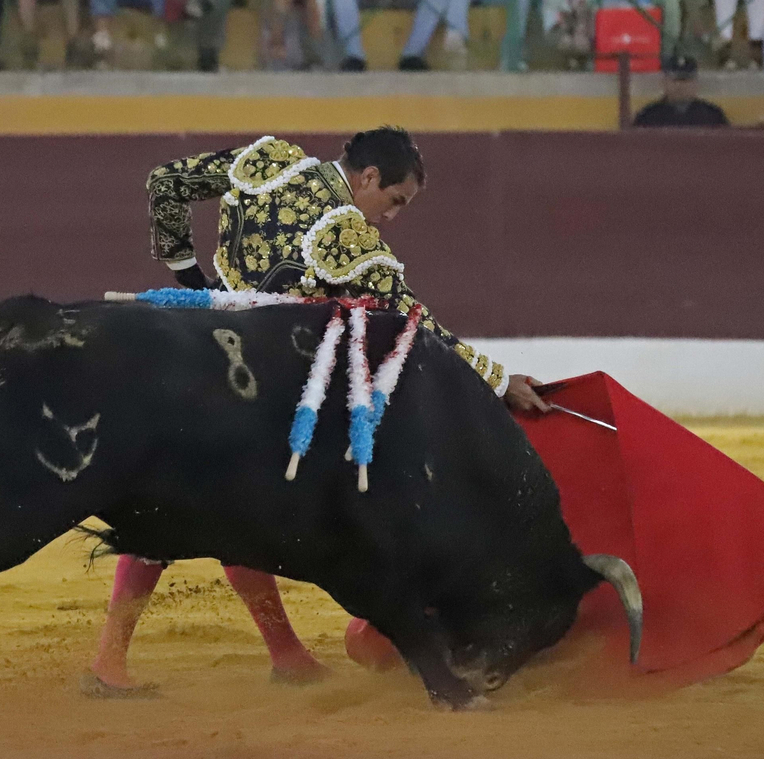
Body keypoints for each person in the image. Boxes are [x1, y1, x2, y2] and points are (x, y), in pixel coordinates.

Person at [81, 127, 554, 696]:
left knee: (204, 508)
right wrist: (498, 380)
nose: (391, 218)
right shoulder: (350, 238)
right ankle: (123, 662)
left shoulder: (268, 159)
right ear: (369, 177)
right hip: (257, 389)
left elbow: (165, 183)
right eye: (395, 200)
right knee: (212, 510)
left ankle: (280, 657)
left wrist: (190, 280)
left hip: (195, 350)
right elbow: (416, 324)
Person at [633, 54, 730, 126]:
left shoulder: (712, 116)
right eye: (675, 80)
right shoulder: (648, 116)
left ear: (696, 83)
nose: (680, 85)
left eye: (686, 80)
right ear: (664, 82)